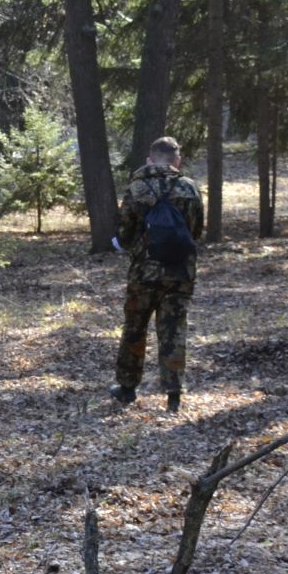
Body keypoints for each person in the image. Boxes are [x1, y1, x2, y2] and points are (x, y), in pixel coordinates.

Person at [109, 136, 205, 412]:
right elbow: (196, 231)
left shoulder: (137, 188)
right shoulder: (189, 188)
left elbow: (125, 234)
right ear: (177, 160)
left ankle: (127, 388)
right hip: (180, 272)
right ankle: (173, 395)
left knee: (135, 329)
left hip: (144, 273)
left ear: (150, 159)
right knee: (174, 330)